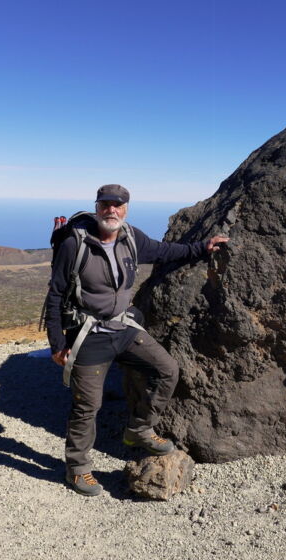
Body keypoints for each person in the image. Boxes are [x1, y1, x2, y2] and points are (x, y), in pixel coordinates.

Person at [44, 184, 228, 496]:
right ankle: (76, 468)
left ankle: (139, 428)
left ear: (126, 208)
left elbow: (164, 251)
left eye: (118, 205)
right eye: (106, 204)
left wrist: (201, 247)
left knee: (167, 369)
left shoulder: (130, 237)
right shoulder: (75, 245)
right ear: (97, 206)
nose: (111, 210)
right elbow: (55, 294)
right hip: (89, 336)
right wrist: (56, 343)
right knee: (87, 405)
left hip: (124, 328)